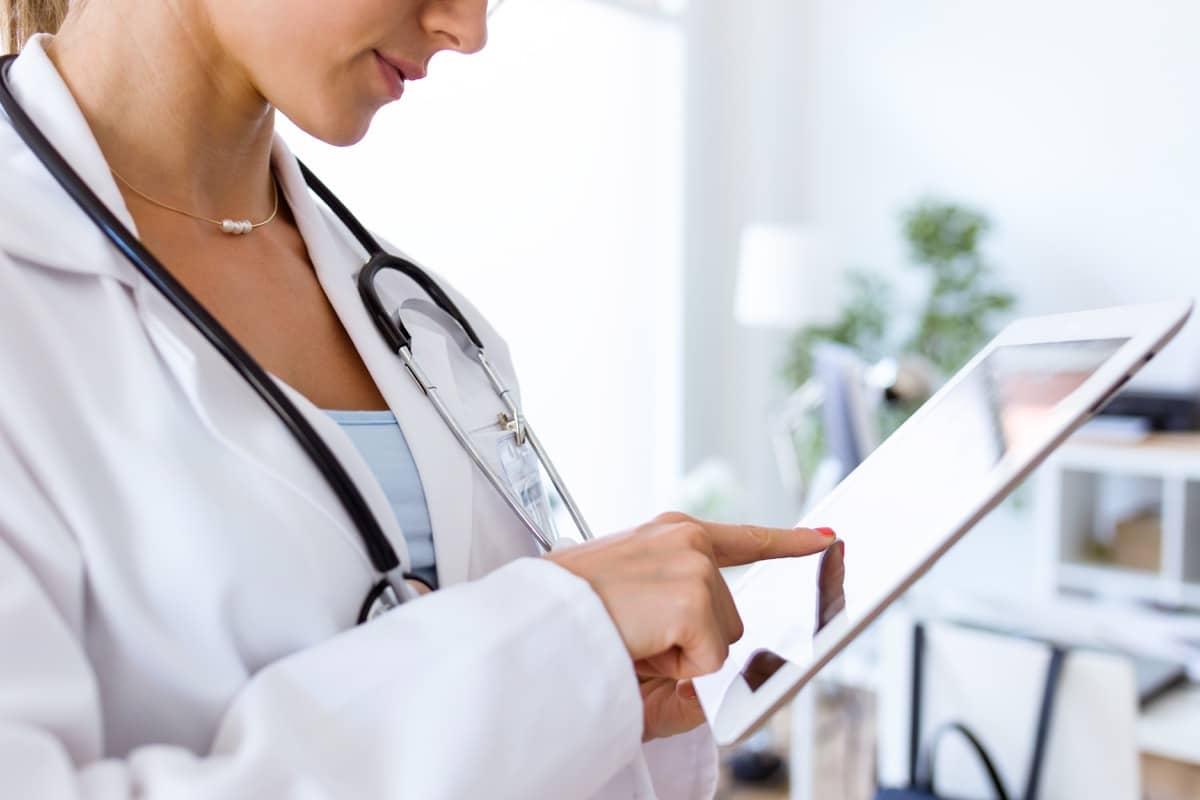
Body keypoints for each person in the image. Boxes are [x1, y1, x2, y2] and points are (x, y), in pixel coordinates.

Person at [0, 1, 837, 797]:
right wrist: (551, 641)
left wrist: (615, 681)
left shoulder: (427, 320)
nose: (467, 31)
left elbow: (514, 719)